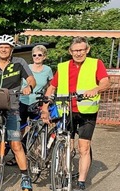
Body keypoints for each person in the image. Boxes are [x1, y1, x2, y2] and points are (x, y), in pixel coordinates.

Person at [41, 37, 110, 191]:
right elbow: (52, 87)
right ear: (70, 51)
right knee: (67, 145)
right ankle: (63, 172)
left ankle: (81, 181)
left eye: (81, 50)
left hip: (87, 111)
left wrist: (96, 89)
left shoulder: (95, 63)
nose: (78, 53)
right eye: (75, 50)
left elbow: (106, 82)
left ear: (87, 50)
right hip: (66, 110)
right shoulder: (63, 66)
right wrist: (45, 107)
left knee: (83, 148)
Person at [0, 34, 36, 191]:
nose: (3, 50)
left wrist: (28, 87)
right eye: (1, 47)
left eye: (7, 47)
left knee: (15, 143)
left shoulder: (19, 63)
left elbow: (31, 79)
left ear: (11, 50)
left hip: (12, 106)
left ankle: (25, 176)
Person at [6, 45, 53, 166]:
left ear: (44, 56)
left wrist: (49, 99)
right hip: (22, 100)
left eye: (40, 55)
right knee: (19, 128)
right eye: (34, 55)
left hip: (37, 102)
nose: (37, 57)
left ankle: (30, 154)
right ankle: (16, 154)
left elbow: (51, 86)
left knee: (35, 129)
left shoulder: (47, 70)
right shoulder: (27, 67)